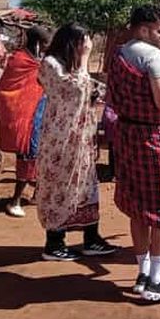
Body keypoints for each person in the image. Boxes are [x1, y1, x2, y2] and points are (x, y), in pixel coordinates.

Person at [108, 5, 160, 302]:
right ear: (144, 29)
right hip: (153, 136)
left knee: (137, 204)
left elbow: (113, 97)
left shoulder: (119, 54)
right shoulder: (153, 56)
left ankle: (142, 273)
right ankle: (157, 279)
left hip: (126, 136)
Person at [36, 23, 119, 261]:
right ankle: (54, 243)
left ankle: (91, 238)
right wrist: (85, 60)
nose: (85, 48)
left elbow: (85, 91)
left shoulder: (68, 67)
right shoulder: (50, 64)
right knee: (59, 185)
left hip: (81, 139)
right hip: (60, 141)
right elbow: (75, 89)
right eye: (83, 44)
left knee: (86, 186)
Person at [0, 26, 50, 218]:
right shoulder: (21, 61)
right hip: (26, 119)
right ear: (36, 43)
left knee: (41, 156)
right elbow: (7, 88)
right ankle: (15, 201)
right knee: (28, 156)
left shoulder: (34, 62)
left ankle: (37, 195)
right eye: (44, 44)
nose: (46, 48)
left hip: (38, 116)